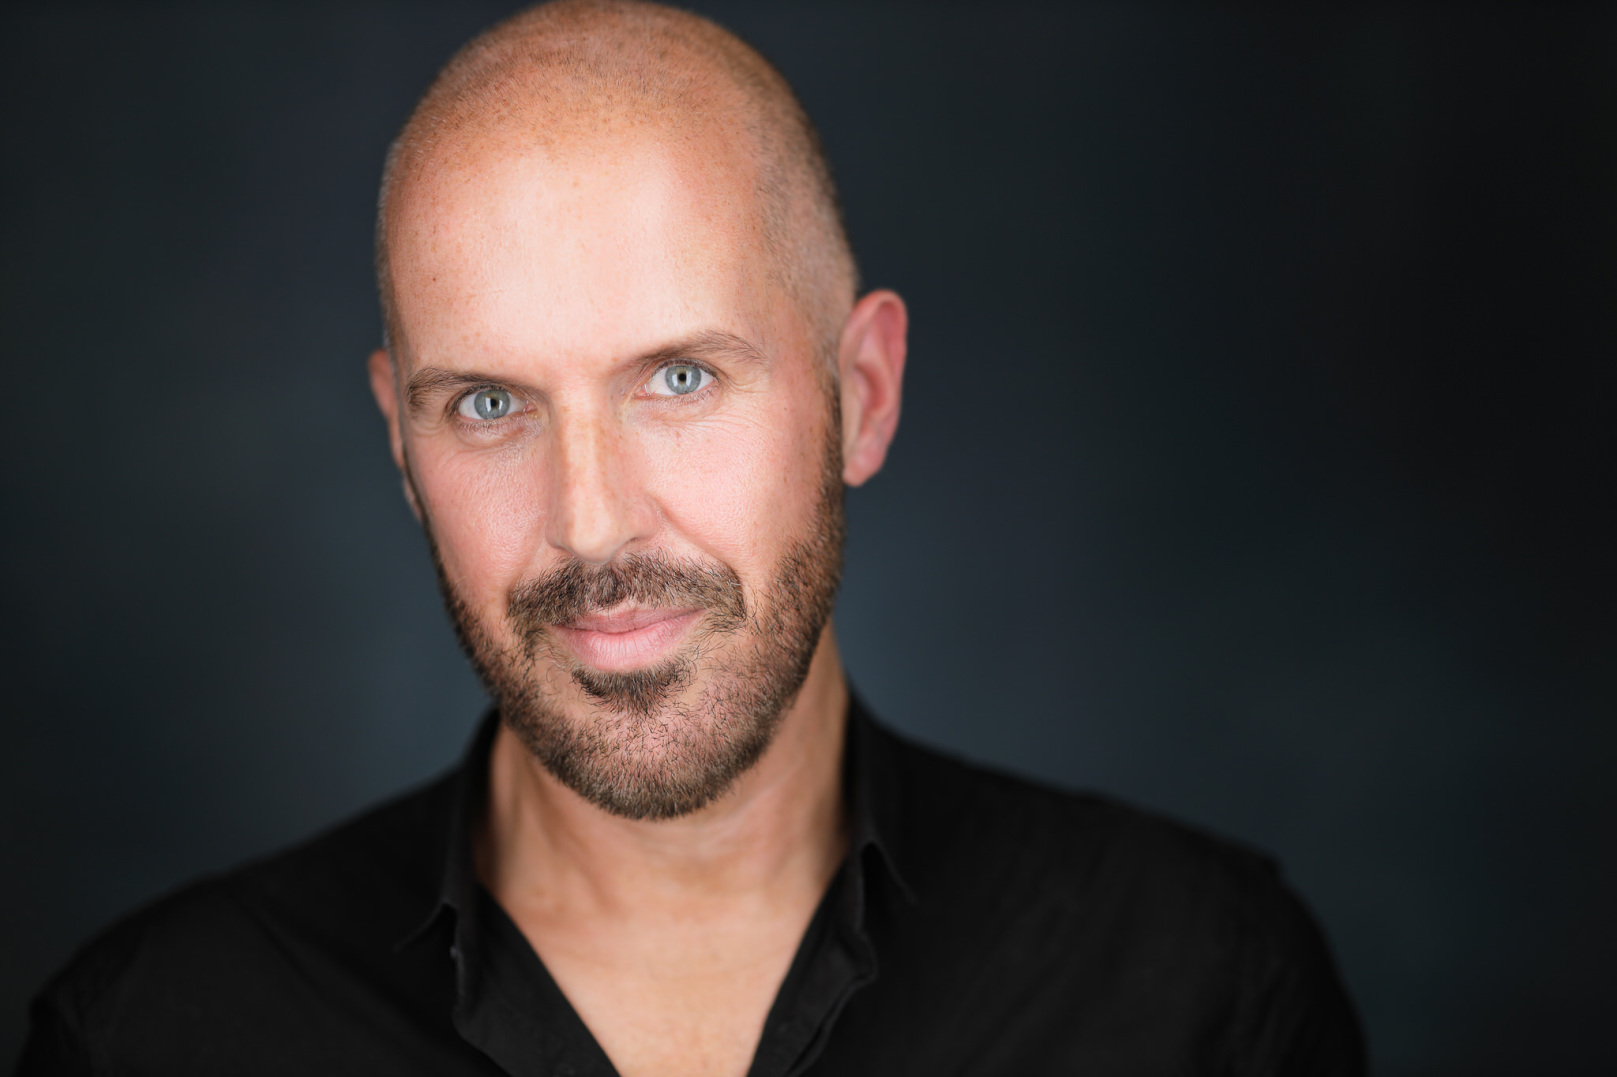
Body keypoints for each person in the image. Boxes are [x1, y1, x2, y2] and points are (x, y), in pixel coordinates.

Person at [18, 2, 1364, 1074]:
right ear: (400, 444)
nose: (591, 522)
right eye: (488, 404)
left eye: (678, 379)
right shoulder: (155, 1038)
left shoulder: (1202, 994)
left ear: (863, 394)